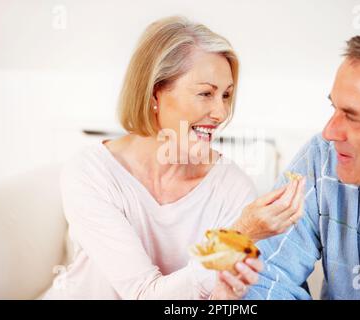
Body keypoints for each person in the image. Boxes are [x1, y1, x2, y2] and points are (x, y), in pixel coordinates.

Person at [43, 16, 306, 300]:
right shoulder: (90, 173)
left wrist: (224, 296)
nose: (220, 113)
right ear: (155, 92)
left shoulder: (231, 187)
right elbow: (144, 294)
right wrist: (240, 235)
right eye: (206, 93)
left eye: (226, 96)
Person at [239, 26, 360, 300]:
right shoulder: (322, 158)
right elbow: (262, 275)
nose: (329, 132)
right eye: (335, 108)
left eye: (353, 117)